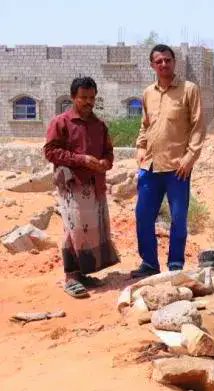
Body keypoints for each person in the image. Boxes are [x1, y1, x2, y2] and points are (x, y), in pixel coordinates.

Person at [132, 44, 205, 278]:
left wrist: (190, 157)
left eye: (167, 60)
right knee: (143, 215)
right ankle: (149, 264)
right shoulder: (147, 93)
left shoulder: (189, 90)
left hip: (178, 168)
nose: (164, 64)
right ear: (152, 65)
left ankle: (175, 265)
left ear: (174, 62)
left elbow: (198, 126)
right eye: (159, 61)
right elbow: (145, 125)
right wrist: (139, 148)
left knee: (179, 218)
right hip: (150, 166)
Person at [44, 76, 120, 298]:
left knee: (91, 230)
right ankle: (71, 277)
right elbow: (50, 152)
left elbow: (108, 152)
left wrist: (106, 162)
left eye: (92, 98)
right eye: (83, 98)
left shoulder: (100, 125)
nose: (88, 102)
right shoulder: (61, 122)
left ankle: (84, 273)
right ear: (73, 98)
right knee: (73, 229)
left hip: (95, 185)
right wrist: (82, 160)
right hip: (72, 185)